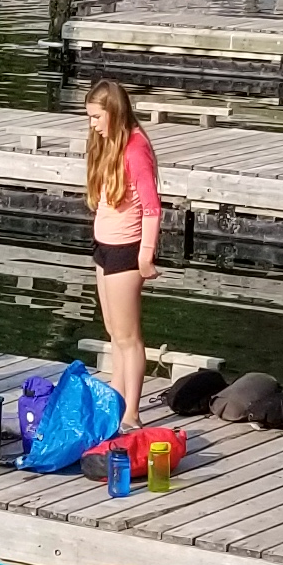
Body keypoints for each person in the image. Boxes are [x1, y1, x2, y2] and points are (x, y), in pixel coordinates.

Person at [83, 80, 161, 428]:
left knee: (129, 337)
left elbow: (152, 207)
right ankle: (116, 395)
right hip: (104, 247)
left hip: (127, 250)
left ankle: (132, 412)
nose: (93, 124)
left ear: (113, 112)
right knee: (113, 330)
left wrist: (146, 254)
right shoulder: (108, 143)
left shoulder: (135, 149)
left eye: (97, 117)